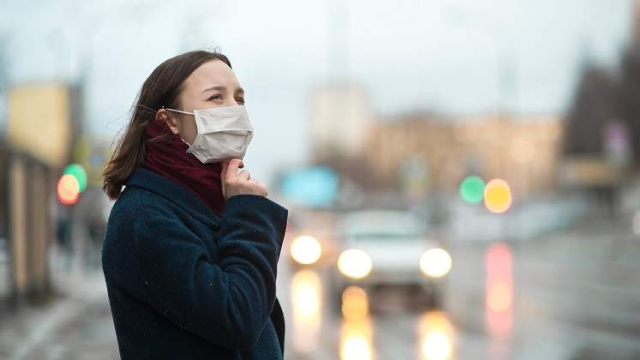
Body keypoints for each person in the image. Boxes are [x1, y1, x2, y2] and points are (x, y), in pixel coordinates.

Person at [100, 49, 289, 360]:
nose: (235, 109)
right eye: (216, 98)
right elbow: (237, 318)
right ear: (170, 121)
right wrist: (247, 215)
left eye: (239, 99)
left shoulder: (204, 203)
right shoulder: (145, 217)